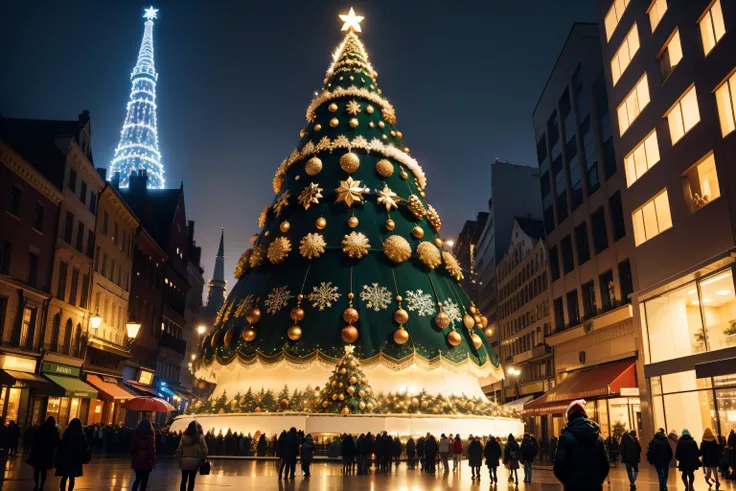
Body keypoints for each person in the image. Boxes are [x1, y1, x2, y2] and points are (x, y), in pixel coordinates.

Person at [553, 400, 610, 491]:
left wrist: (568, 482)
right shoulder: (599, 437)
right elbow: (606, 464)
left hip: (573, 487)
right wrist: (598, 481)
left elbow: (558, 467)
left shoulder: (565, 438)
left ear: (570, 418)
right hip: (595, 486)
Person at [55, 418, 90, 491]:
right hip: (76, 458)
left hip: (65, 456)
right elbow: (84, 446)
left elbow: (62, 445)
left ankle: (62, 490)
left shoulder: (67, 433)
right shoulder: (81, 434)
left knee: (64, 476)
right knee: (72, 477)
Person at [27, 416, 59, 490]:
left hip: (38, 451)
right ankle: (41, 484)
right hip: (47, 452)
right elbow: (56, 441)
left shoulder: (41, 428)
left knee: (37, 469)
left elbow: (34, 438)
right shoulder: (53, 430)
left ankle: (36, 483)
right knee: (44, 470)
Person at [176, 421, 207, 491]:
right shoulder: (200, 437)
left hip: (184, 461)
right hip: (195, 462)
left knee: (183, 480)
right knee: (191, 480)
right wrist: (203, 458)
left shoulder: (183, 437)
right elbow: (205, 450)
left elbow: (179, 450)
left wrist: (179, 460)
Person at [130, 419, 156, 491]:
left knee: (137, 479)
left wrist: (133, 455)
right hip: (146, 460)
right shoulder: (150, 436)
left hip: (137, 458)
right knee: (144, 481)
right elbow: (151, 449)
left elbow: (132, 447)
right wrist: (153, 462)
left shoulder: (136, 435)